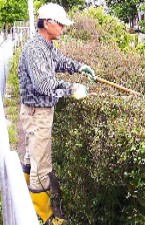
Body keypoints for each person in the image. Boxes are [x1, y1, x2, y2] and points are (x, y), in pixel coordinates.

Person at [18, 3, 95, 225]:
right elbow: (44, 85)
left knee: (33, 158)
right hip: (37, 113)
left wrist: (80, 67)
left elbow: (60, 61)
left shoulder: (46, 46)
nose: (63, 28)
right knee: (42, 165)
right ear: (48, 23)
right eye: (60, 24)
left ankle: (27, 198)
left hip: (37, 112)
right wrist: (72, 89)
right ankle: (45, 217)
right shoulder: (35, 49)